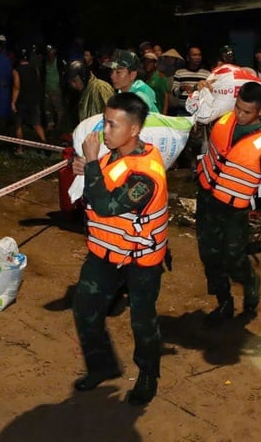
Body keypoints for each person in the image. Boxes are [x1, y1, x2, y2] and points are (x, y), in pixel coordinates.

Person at [70, 92, 169, 406]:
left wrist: (90, 163)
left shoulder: (147, 174)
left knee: (142, 320)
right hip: (105, 253)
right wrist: (87, 167)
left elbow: (106, 205)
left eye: (113, 125)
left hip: (140, 260)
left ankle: (148, 375)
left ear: (134, 129)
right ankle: (101, 367)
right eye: (104, 122)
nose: (105, 130)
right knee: (85, 308)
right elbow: (102, 182)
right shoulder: (112, 155)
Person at [195, 81, 261, 325]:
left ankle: (250, 282)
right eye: (237, 108)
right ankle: (224, 302)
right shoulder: (226, 121)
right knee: (209, 254)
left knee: (233, 258)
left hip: (234, 209)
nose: (239, 115)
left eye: (246, 112)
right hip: (207, 198)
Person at [11, 46, 45, 154]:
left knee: (18, 126)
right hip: (33, 100)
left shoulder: (16, 70)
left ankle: (20, 148)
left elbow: (17, 87)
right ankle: (45, 146)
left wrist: (13, 102)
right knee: (36, 124)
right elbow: (37, 82)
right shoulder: (35, 68)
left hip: (22, 101)